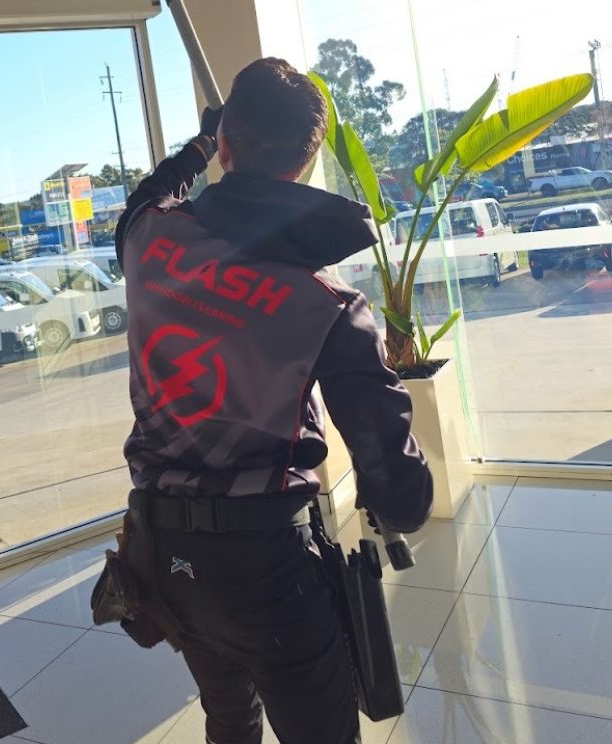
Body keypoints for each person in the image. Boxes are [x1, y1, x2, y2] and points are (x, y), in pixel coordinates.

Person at [114, 58, 433, 744]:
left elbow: (148, 194)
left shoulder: (146, 239)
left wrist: (199, 144)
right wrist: (400, 497)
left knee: (229, 716)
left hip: (164, 557)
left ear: (228, 145)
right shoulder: (327, 303)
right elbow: (397, 484)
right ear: (307, 163)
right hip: (266, 567)